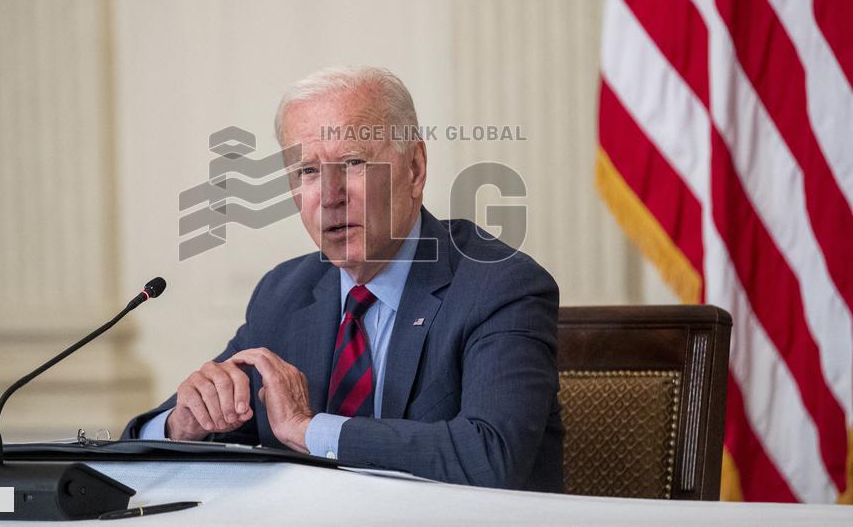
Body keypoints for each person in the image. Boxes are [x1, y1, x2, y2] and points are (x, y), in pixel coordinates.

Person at [122, 66, 564, 491]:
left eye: (352, 162)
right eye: (307, 172)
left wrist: (309, 430)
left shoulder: (499, 285)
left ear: (414, 169)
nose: (329, 197)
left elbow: (490, 457)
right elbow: (207, 428)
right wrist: (186, 422)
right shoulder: (285, 293)